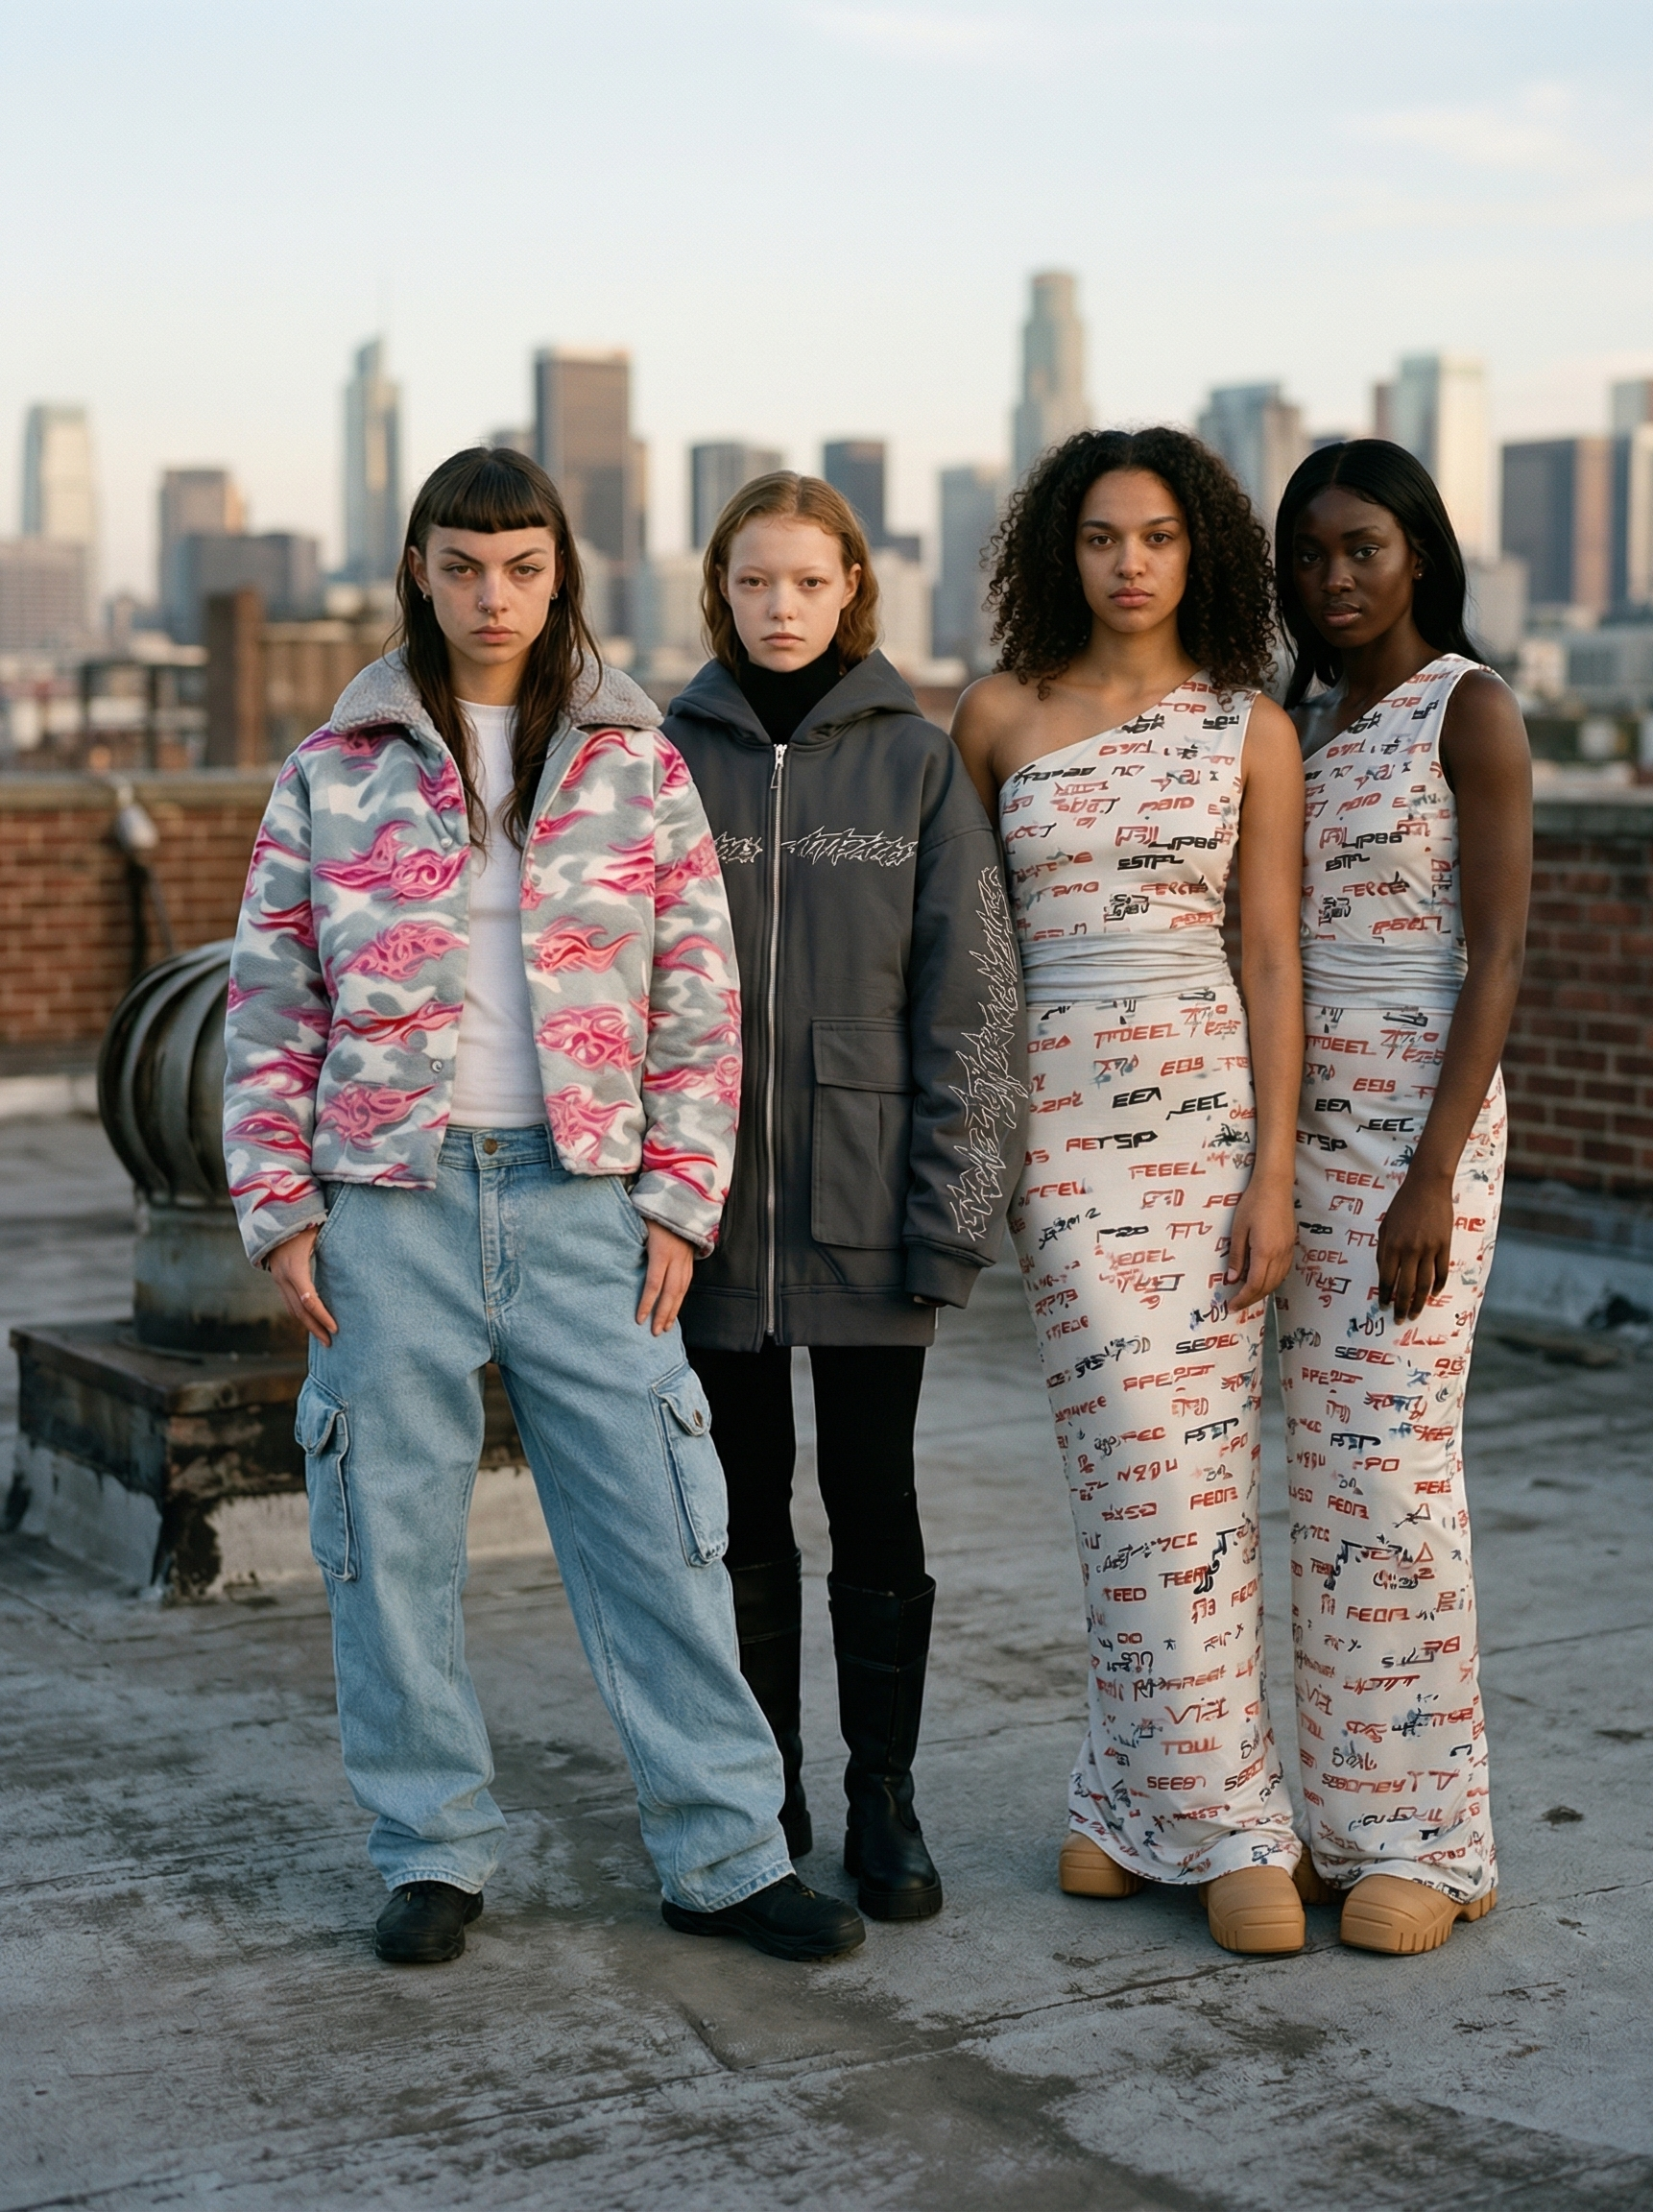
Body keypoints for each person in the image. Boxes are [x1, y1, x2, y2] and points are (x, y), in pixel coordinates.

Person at [222, 446, 862, 1967]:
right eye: (461, 567)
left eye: (520, 567)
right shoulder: (332, 767)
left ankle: (727, 1857)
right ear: (420, 572)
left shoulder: (636, 762)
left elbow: (700, 996)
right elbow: (271, 999)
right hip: (390, 1203)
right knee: (389, 1544)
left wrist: (680, 1200)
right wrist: (280, 1205)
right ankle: (431, 1851)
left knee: (660, 1532)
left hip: (586, 1205)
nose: (492, 597)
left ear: (558, 570)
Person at [953, 427, 1312, 1957]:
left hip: (1210, 1129)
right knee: (1131, 1476)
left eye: (1158, 536)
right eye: (1102, 536)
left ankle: (1150, 1812)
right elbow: (966, 960)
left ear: (1198, 550)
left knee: (1196, 1478)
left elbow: (1272, 957)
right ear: (1063, 552)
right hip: (1064, 1139)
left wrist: (1275, 1172)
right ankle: (1200, 1816)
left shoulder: (1251, 729)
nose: (1130, 563)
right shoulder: (996, 717)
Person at [662, 472, 1024, 1923]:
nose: (782, 607)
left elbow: (973, 1008)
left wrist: (952, 1220)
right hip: (704, 1220)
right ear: (720, 589)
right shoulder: (661, 757)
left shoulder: (918, 764)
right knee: (738, 1515)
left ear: (854, 589)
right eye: (755, 581)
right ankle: (765, 1793)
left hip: (870, 1215)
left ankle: (885, 1797)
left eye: (810, 581)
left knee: (875, 1507)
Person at [1270, 438, 1530, 1956]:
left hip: (1421, 1146)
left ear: (1418, 551)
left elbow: (1496, 958)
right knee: (1325, 1487)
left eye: (1361, 547)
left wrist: (1431, 1171)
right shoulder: (1305, 721)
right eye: (1309, 555)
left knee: (1399, 1480)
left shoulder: (1467, 709)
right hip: (1308, 1142)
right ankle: (1345, 1822)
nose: (1335, 579)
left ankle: (1443, 1842)